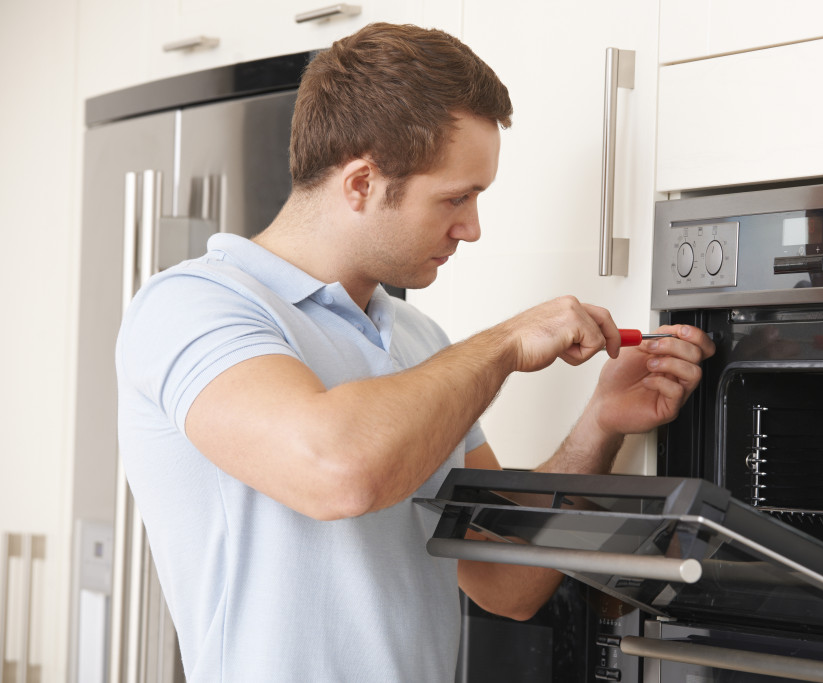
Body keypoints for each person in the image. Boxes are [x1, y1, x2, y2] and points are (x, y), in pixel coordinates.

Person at [115, 22, 715, 683]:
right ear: (361, 184)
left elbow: (505, 582)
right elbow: (339, 470)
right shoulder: (195, 305)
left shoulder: (419, 339)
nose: (472, 228)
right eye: (456, 198)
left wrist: (598, 424)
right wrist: (506, 342)